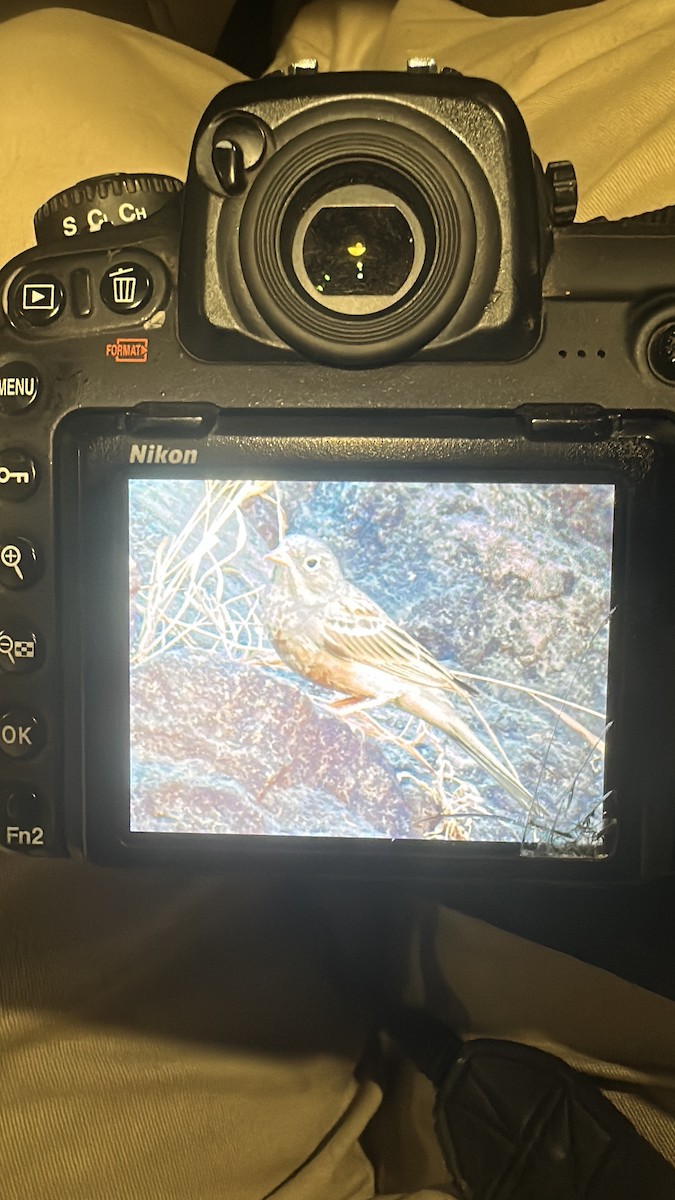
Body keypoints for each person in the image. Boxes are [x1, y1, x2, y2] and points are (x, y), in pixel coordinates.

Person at [1, 3, 675, 1196]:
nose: (293, 570)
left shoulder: (330, 612)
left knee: (45, 69)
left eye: (307, 565)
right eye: (294, 561)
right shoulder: (283, 603)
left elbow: (394, 669)